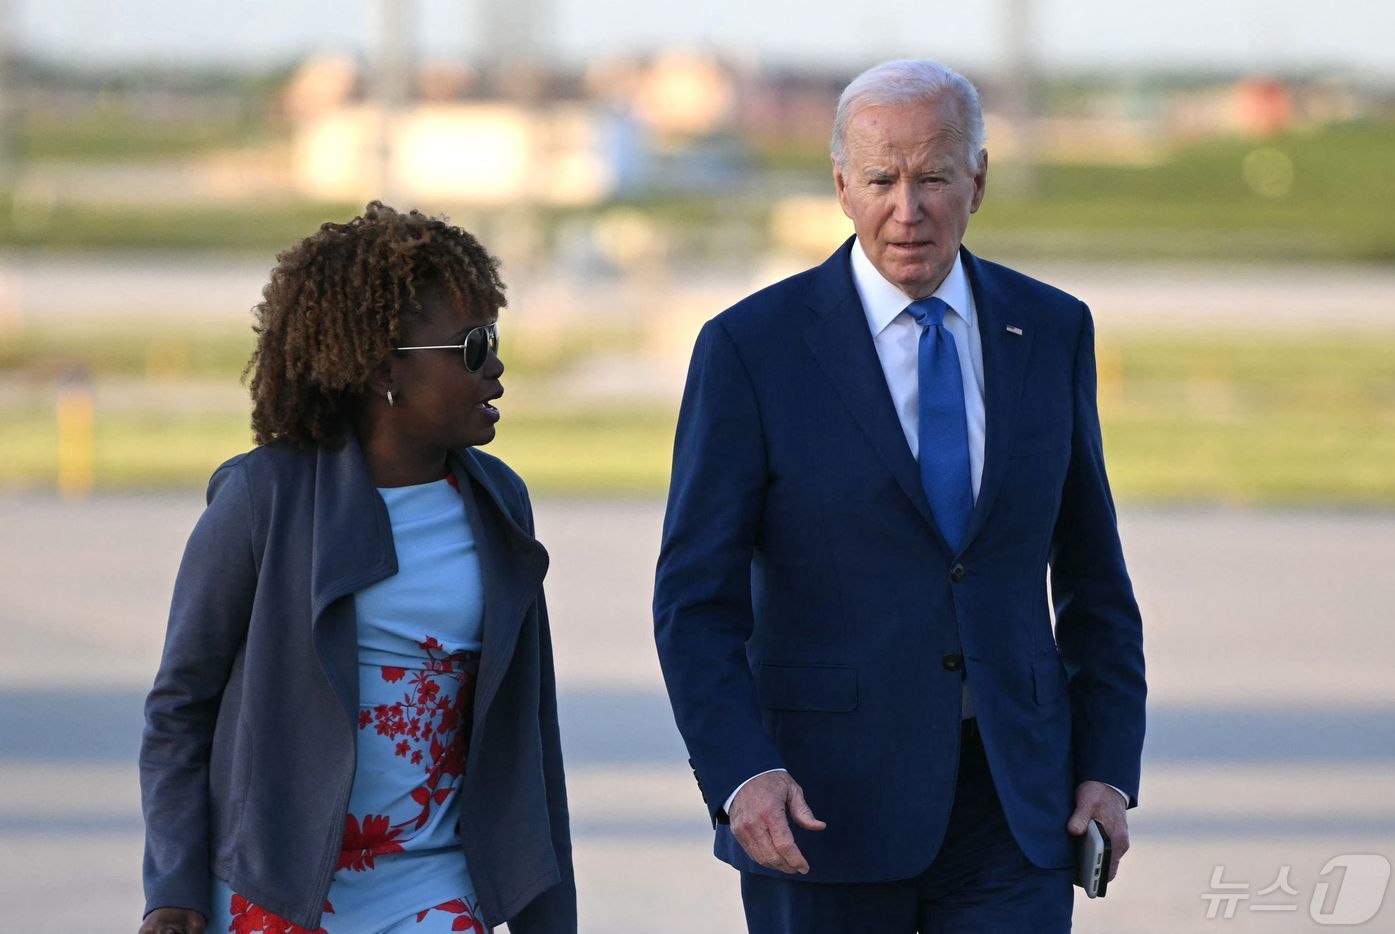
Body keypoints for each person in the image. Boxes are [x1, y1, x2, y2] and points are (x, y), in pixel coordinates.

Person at [653, 60, 1146, 932]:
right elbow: (695, 602)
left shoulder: (1053, 329)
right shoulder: (750, 349)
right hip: (819, 812)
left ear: (980, 181)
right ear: (842, 185)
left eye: (934, 179)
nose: (907, 210)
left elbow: (1094, 575)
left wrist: (1107, 767)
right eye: (881, 180)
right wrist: (739, 774)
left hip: (1015, 808)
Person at [139, 203, 575, 934]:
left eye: (494, 341)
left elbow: (531, 722)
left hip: (438, 886)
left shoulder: (500, 502)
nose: (495, 369)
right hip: (276, 888)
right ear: (383, 369)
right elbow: (180, 709)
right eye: (472, 348)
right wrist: (174, 887)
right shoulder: (264, 500)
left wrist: (549, 913)